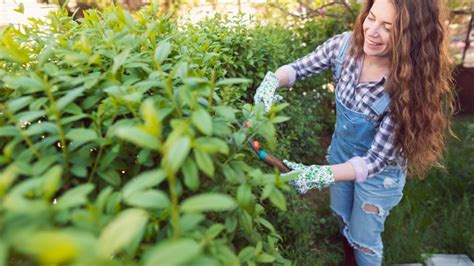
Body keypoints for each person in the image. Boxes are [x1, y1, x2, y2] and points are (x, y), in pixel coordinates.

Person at [253, 0, 455, 265]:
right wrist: (272, 81)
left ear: (409, 37)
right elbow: (298, 68)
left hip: (378, 179)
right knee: (341, 213)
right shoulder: (344, 47)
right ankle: (349, 255)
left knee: (365, 239)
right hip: (341, 155)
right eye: (371, 17)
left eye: (388, 27)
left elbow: (373, 162)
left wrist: (319, 174)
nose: (372, 31)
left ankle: (361, 255)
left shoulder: (405, 90)